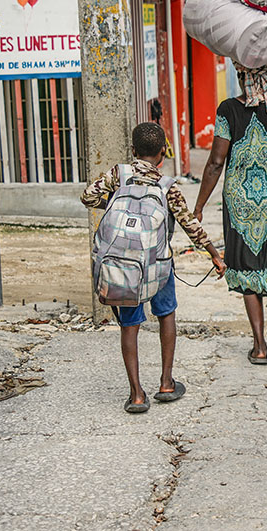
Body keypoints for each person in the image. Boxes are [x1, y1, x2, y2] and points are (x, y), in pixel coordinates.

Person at [81, 122, 226, 413]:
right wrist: (214, 254)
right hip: (157, 265)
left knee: (129, 325)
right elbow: (189, 224)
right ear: (162, 153)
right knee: (166, 314)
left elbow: (87, 197)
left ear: (132, 151)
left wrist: (115, 203)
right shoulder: (167, 186)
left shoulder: (117, 175)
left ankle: (136, 395)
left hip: (122, 265)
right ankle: (166, 383)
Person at [194, 69, 267, 365]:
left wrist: (199, 206)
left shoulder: (228, 109)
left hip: (240, 204)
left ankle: (259, 347)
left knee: (246, 270)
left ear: (241, 75)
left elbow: (216, 163)